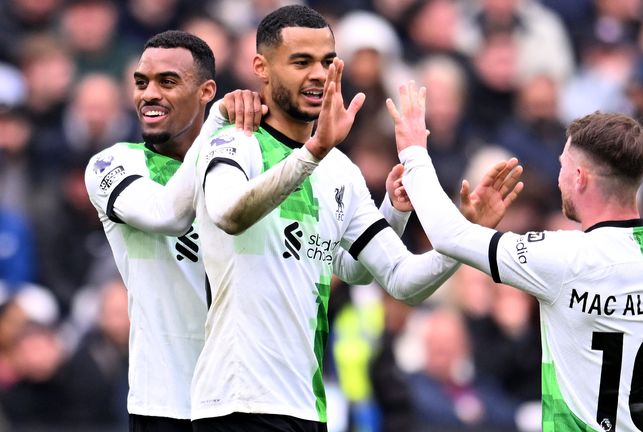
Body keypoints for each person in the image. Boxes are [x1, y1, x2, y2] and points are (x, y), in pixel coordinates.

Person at [191, 5, 519, 431]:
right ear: (261, 68)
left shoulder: (340, 171)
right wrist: (312, 153)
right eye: (301, 61)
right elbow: (227, 215)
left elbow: (400, 279)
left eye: (326, 62)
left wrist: (465, 236)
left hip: (308, 408)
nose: (317, 75)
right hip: (235, 404)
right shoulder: (233, 143)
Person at [84, 30, 413, 432]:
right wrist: (219, 124)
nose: (148, 94)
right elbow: (167, 214)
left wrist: (392, 213)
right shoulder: (113, 164)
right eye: (141, 83)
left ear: (206, 91)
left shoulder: (253, 165)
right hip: (164, 403)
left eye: (167, 82)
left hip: (243, 400)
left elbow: (341, 263)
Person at [389, 81, 643, 431]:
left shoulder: (566, 257)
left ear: (580, 178)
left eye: (563, 165)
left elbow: (447, 236)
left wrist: (414, 152)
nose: (559, 176)